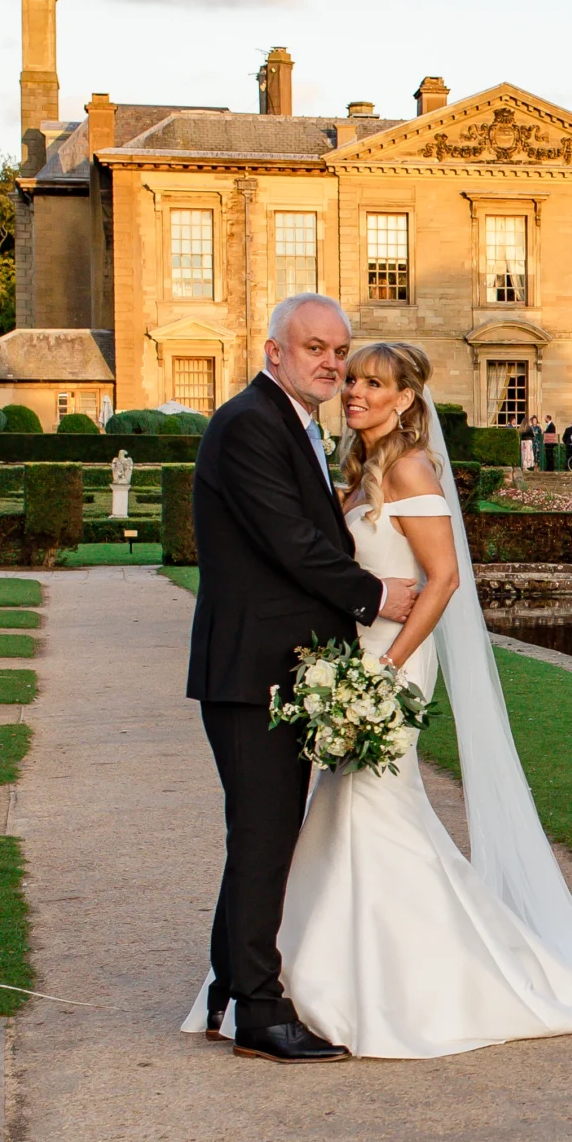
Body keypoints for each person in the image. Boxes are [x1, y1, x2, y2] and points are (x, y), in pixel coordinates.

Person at [183, 340, 572, 1058]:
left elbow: (444, 579)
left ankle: (399, 985)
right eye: (348, 375)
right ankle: (285, 982)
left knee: (370, 814)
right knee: (331, 821)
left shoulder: (413, 467)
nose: (352, 388)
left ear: (405, 400)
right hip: (357, 663)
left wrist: (386, 665)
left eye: (370, 381)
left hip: (389, 663)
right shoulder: (360, 469)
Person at [186, 293, 419, 1064]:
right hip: (252, 669)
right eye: (314, 346)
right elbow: (289, 541)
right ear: (273, 349)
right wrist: (374, 593)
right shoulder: (251, 423)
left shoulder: (296, 424)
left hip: (273, 667)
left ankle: (229, 988)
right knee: (262, 836)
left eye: (338, 351)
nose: (331, 362)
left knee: (260, 832)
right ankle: (258, 1008)